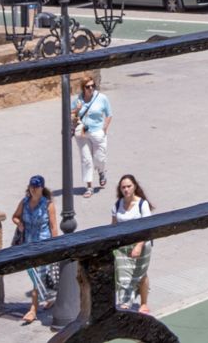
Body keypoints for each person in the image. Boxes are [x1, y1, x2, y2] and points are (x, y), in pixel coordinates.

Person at [10, 175, 59, 324]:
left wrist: (55, 246)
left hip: (43, 245)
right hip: (27, 245)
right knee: (36, 275)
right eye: (31, 186)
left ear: (42, 188)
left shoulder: (48, 205)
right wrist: (19, 224)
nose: (33, 189)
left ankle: (33, 309)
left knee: (38, 277)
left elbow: (53, 226)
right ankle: (50, 298)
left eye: (36, 187)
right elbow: (15, 216)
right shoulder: (24, 202)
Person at [110, 175, 154, 313]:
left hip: (142, 245)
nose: (126, 189)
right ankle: (125, 303)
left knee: (140, 275)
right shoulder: (117, 205)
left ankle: (144, 303)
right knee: (123, 275)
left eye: (129, 186)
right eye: (123, 187)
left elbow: (147, 229)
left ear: (134, 186)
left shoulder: (142, 205)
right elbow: (113, 226)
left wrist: (139, 246)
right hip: (123, 247)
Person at [71, 78, 112, 197]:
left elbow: (109, 114)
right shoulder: (78, 100)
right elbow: (71, 115)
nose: (91, 88)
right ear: (83, 88)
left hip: (97, 131)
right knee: (86, 160)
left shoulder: (102, 98)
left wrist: (104, 128)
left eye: (93, 86)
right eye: (88, 87)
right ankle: (89, 187)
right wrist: (77, 110)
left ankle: (101, 171)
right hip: (82, 132)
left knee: (100, 158)